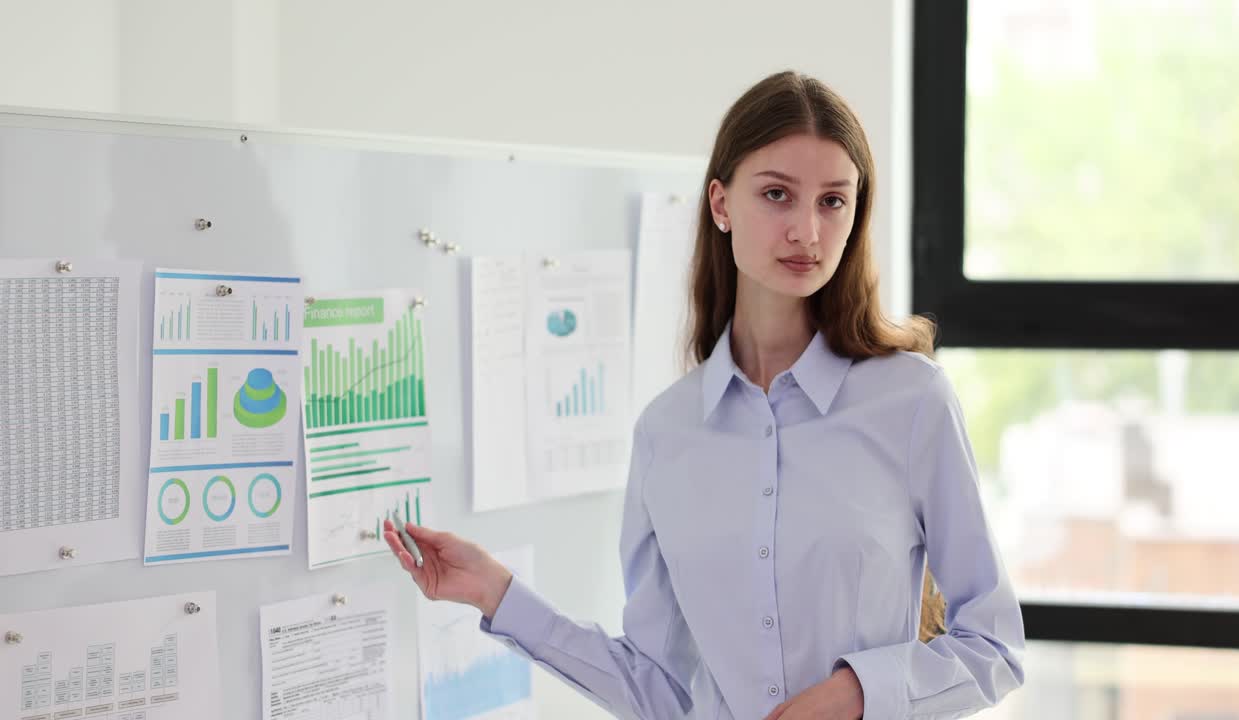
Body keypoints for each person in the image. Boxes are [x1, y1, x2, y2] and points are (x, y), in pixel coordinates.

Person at [385, 70, 1026, 720]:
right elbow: (659, 689)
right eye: (778, 194)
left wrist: (856, 693)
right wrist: (499, 596)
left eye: (833, 201)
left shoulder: (911, 402)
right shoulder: (667, 433)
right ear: (721, 204)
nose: (807, 230)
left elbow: (995, 647)